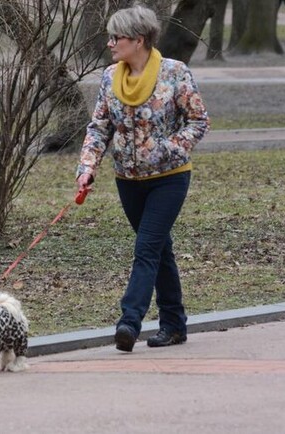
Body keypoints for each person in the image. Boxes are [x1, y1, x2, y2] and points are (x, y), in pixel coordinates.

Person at [76, 5, 210, 352]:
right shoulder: (110, 77)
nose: (110, 44)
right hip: (127, 180)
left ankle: (129, 322)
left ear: (138, 40)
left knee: (147, 248)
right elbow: (99, 127)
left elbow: (198, 121)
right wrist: (87, 168)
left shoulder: (174, 73)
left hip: (169, 178)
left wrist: (168, 148)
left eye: (115, 37)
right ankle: (174, 325)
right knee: (160, 249)